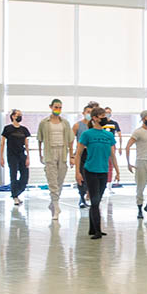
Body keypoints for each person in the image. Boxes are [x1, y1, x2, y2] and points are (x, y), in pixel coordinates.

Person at [75, 107, 120, 239]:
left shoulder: (109, 135)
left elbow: (112, 154)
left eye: (104, 115)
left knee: (97, 200)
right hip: (90, 171)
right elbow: (78, 154)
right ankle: (98, 231)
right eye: (101, 116)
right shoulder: (87, 134)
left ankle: (92, 229)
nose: (104, 118)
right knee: (94, 200)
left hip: (103, 171)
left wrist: (117, 171)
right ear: (94, 118)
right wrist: (77, 172)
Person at [37, 98, 75, 221]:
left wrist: (71, 157)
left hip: (62, 152)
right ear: (51, 107)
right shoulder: (44, 123)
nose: (58, 109)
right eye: (56, 107)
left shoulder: (65, 123)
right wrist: (40, 155)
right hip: (50, 152)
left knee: (60, 180)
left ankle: (54, 202)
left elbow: (70, 140)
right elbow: (40, 139)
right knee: (52, 180)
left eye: (60, 107)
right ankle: (56, 207)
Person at [125, 110, 147, 219]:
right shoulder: (137, 132)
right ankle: (139, 210)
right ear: (143, 119)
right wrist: (128, 163)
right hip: (141, 161)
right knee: (140, 187)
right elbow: (128, 146)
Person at [0, 110, 31, 206]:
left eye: (21, 115)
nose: (20, 117)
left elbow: (26, 144)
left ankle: (17, 192)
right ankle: (15, 196)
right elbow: (2, 143)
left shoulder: (24, 130)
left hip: (22, 154)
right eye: (18, 115)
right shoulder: (7, 129)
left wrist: (28, 157)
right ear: (13, 116)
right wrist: (1, 157)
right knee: (13, 176)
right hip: (12, 155)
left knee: (25, 177)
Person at [73, 102, 98, 208]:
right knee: (81, 176)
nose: (89, 114)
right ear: (83, 113)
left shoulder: (95, 126)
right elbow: (70, 140)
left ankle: (90, 195)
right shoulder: (78, 125)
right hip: (82, 153)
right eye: (88, 112)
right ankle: (82, 198)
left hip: (92, 154)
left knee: (91, 177)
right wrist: (72, 155)